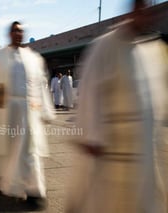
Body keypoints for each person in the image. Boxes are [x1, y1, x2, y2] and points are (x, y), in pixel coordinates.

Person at [65, 1, 167, 212]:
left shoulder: (151, 50)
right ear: (133, 10)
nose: (146, 15)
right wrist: (91, 137)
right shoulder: (105, 45)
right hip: (112, 151)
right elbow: (90, 92)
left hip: (144, 151)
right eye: (141, 8)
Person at [0, 21, 55, 209]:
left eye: (21, 31)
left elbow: (40, 84)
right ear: (9, 34)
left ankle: (34, 190)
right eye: (14, 31)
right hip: (4, 111)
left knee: (29, 151)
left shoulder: (34, 58)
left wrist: (45, 109)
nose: (18, 34)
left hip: (28, 111)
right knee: (3, 150)